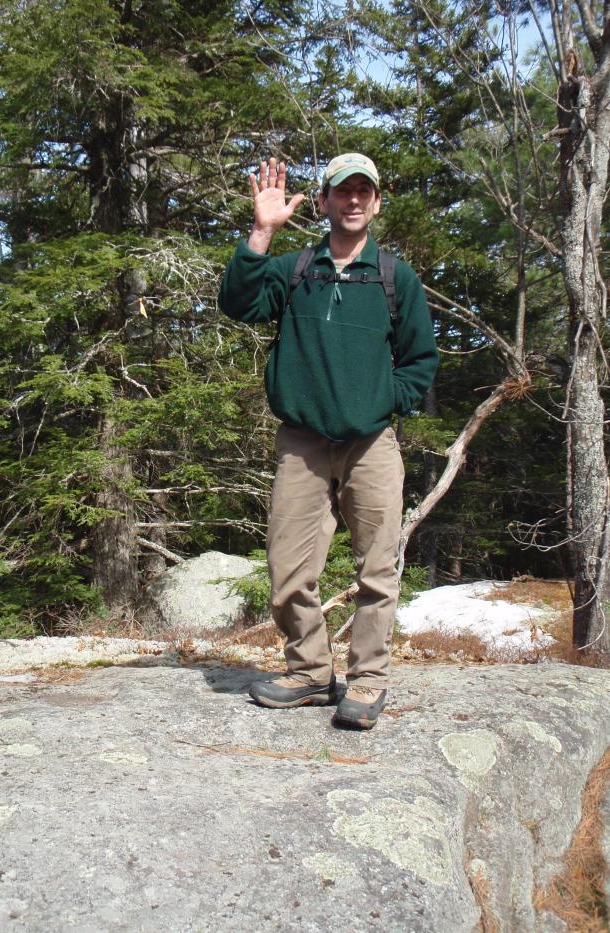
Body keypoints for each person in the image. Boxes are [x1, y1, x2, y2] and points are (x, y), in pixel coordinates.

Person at [219, 154, 438, 728]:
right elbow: (238, 304)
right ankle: (311, 672)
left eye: (364, 191)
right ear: (323, 202)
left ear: (376, 203)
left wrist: (383, 402)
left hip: (372, 444)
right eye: (343, 191)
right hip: (302, 443)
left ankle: (368, 680)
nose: (354, 200)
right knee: (288, 565)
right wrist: (261, 232)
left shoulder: (394, 277)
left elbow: (420, 360)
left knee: (377, 569)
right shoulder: (294, 271)